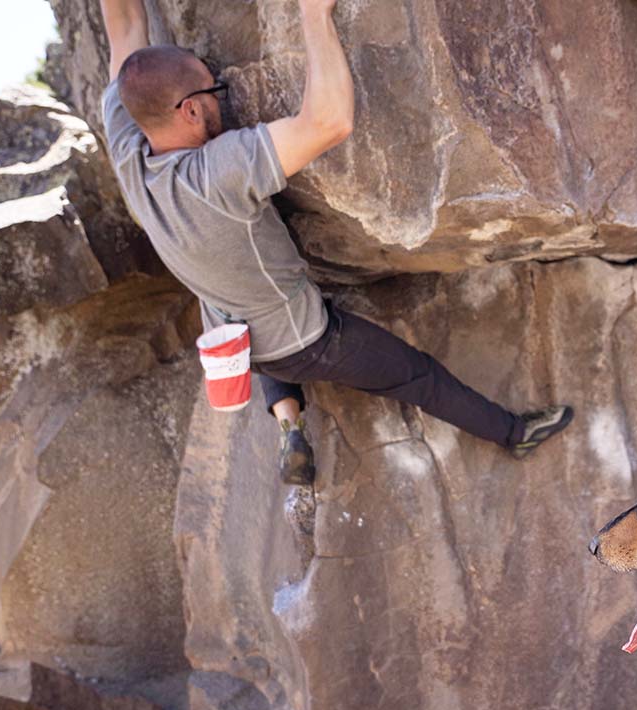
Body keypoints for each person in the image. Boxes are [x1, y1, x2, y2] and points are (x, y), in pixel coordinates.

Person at [98, 0, 573, 484]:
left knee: (244, 306)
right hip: (307, 342)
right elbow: (329, 123)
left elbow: (124, 25)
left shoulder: (128, 146)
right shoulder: (217, 171)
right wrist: (314, 16)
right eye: (214, 89)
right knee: (417, 376)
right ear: (192, 108)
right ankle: (516, 434)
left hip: (236, 333)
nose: (222, 98)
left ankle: (289, 423)